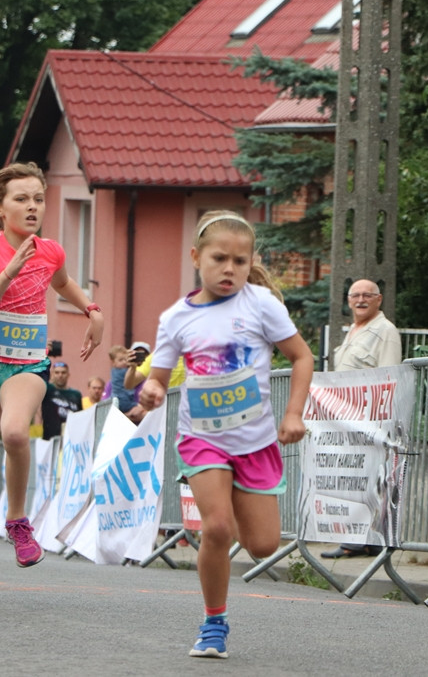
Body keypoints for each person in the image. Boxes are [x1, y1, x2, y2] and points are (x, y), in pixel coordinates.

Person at [139, 210, 313, 659]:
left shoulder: (261, 305)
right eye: (220, 259)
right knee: (216, 528)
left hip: (254, 442)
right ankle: (213, 623)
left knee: (263, 545)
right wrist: (154, 389)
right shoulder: (177, 317)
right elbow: (157, 376)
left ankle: (234, 500)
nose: (230, 269)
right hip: (202, 437)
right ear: (197, 258)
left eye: (240, 260)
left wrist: (293, 413)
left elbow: (301, 357)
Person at [0, 161, 103, 601]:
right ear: (0, 209)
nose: (33, 206)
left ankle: (18, 523)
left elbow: (64, 283)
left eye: (39, 198)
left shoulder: (51, 250)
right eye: (22, 199)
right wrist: (9, 272)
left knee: (16, 432)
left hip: (27, 366)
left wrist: (92, 311)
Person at [321, 277, 402, 559]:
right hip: (347, 420)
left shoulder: (385, 331)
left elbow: (389, 377)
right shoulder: (353, 331)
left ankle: (362, 541)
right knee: (354, 480)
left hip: (370, 421)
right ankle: (360, 539)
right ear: (348, 300)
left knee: (369, 480)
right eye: (355, 295)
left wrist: (382, 424)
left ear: (379, 300)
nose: (361, 300)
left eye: (368, 295)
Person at [35, 359, 82, 439]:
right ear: (52, 374)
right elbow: (37, 378)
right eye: (57, 372)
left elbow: (80, 418)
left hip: (71, 439)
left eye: (63, 372)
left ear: (68, 375)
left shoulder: (76, 394)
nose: (60, 375)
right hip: (50, 440)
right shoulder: (47, 389)